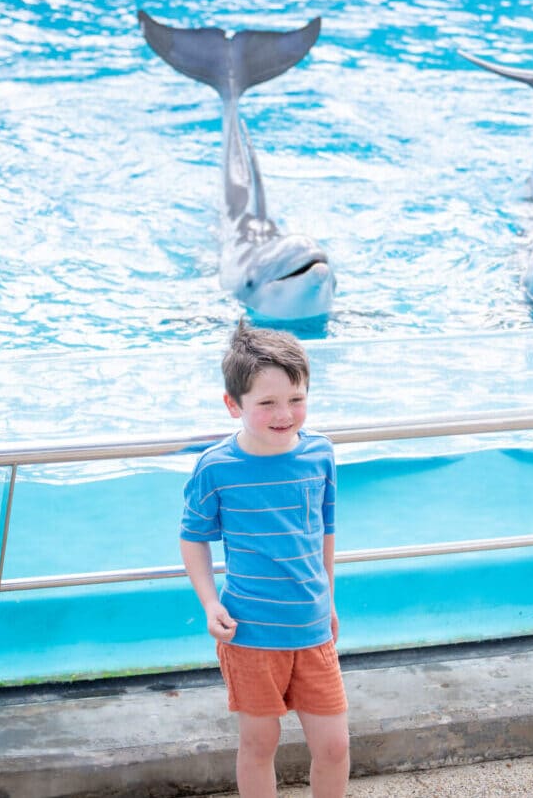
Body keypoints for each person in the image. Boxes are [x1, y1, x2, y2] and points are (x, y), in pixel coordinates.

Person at [180, 320, 349, 798]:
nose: (285, 414)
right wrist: (210, 603)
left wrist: (330, 599)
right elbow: (192, 537)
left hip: (312, 628)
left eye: (296, 399)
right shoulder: (216, 467)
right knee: (259, 742)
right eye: (267, 403)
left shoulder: (321, 454)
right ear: (234, 404)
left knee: (334, 746)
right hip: (250, 633)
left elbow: (325, 531)